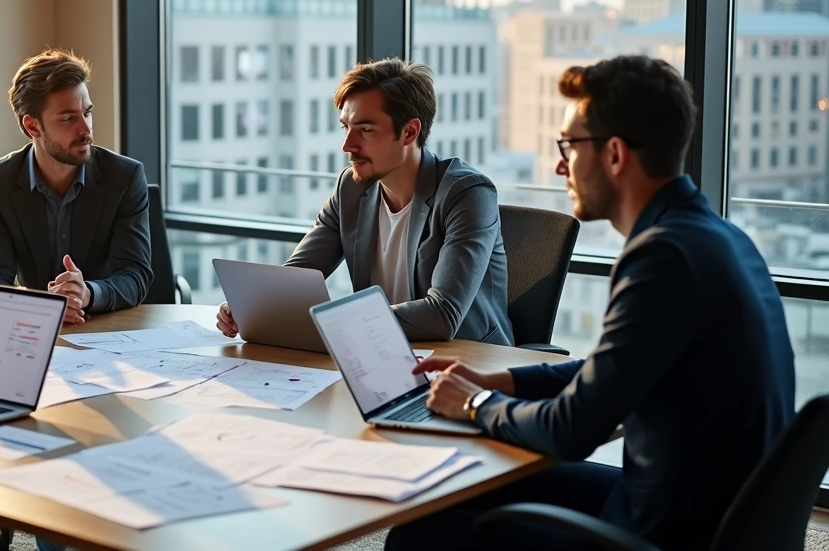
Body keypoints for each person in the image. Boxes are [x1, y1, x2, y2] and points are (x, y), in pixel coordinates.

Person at [387, 56, 796, 550]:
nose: (561, 164)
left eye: (570, 145)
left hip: (661, 533)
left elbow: (571, 431)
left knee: (422, 531)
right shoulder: (718, 237)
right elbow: (611, 369)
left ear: (616, 154)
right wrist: (504, 381)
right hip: (698, 511)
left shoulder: (662, 257)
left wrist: (474, 403)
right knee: (461, 488)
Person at [216, 58, 513, 344]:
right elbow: (294, 280)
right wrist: (252, 307)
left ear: (410, 132)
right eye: (346, 127)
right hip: (382, 355)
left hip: (471, 365)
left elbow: (443, 314)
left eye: (366, 130)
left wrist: (338, 321)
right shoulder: (351, 189)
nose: (348, 145)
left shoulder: (467, 194)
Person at [0, 48, 153, 325]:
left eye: (88, 113)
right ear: (33, 126)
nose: (86, 129)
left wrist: (88, 294)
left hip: (107, 328)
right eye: (68, 118)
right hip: (33, 328)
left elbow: (135, 274)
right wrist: (42, 305)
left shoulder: (124, 177)